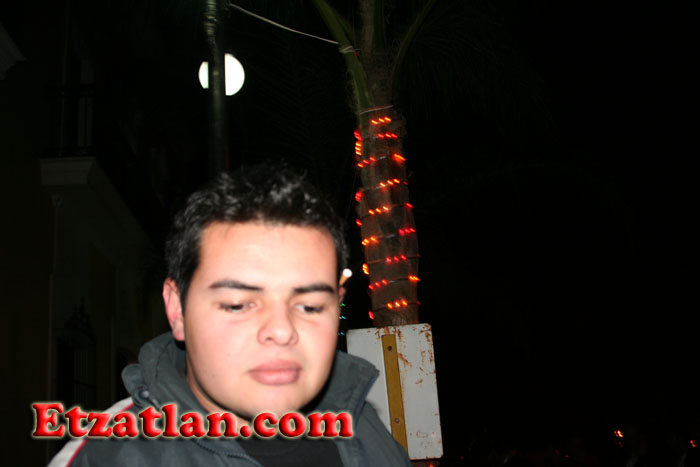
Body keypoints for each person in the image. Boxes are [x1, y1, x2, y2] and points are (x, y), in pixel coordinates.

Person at [48, 163, 410, 466]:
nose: (281, 330)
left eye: (310, 306)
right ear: (177, 309)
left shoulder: (364, 427)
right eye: (238, 303)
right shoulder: (106, 458)